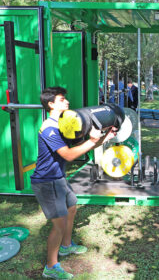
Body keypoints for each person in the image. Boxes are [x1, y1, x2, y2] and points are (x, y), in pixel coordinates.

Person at [30, 87, 117, 279]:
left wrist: (103, 138)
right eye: (62, 100)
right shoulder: (49, 128)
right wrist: (91, 141)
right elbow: (68, 155)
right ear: (51, 104)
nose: (67, 102)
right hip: (46, 182)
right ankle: (51, 267)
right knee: (59, 225)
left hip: (58, 178)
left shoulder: (62, 125)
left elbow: (77, 147)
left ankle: (66, 246)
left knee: (72, 207)